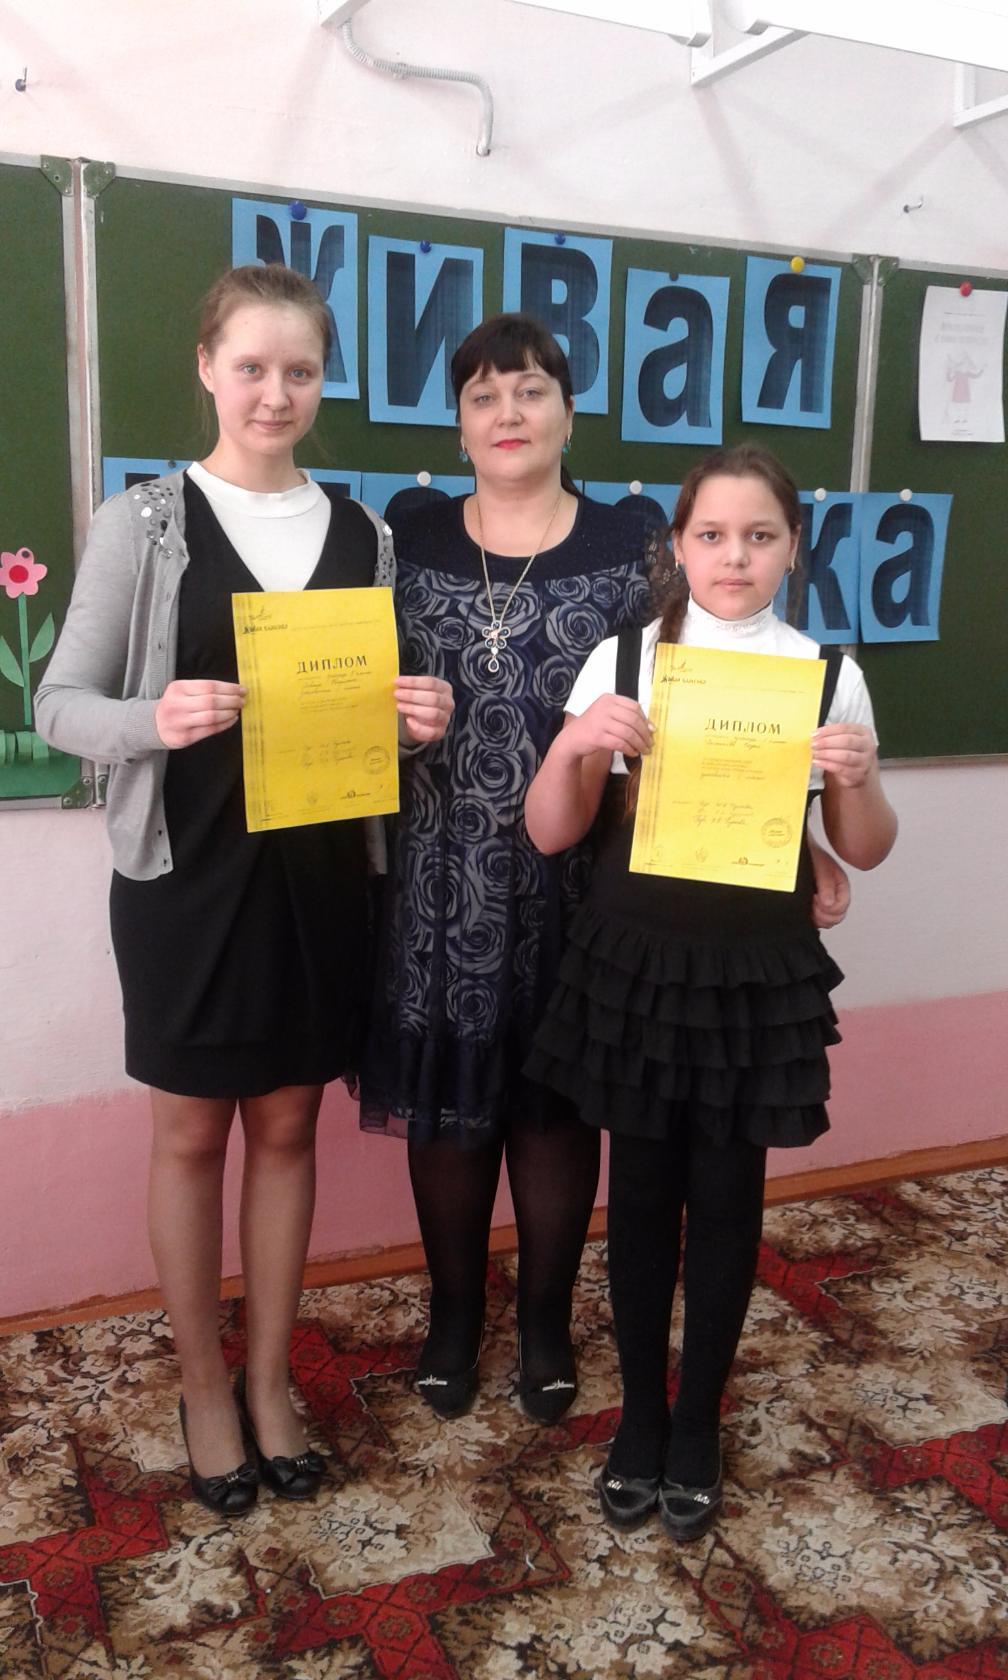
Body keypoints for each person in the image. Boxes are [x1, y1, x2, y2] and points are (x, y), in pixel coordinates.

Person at [358, 320, 850, 1426]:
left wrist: (801, 841)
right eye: (484, 396)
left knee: (556, 1109)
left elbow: (716, 706)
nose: (509, 414)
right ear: (458, 424)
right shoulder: (408, 535)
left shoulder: (635, 546)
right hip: (439, 875)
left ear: (569, 413)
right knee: (447, 1111)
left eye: (532, 390)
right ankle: (453, 1315)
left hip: (591, 878)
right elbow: (357, 693)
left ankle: (543, 1320)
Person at [34, 264, 453, 1516]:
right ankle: (203, 1388)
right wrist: (152, 718)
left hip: (320, 886)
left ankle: (269, 1381)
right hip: (188, 883)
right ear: (208, 368)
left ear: (323, 382)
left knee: (286, 1130)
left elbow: (360, 729)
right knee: (189, 1136)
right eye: (254, 367)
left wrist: (413, 724)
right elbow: (59, 706)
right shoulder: (146, 523)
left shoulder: (365, 536)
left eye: (301, 371)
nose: (277, 393)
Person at [523, 444, 896, 1536]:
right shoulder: (625, 658)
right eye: (713, 535)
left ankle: (698, 1423)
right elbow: (551, 830)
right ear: (678, 546)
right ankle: (641, 1417)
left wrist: (859, 778)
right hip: (638, 968)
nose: (736, 556)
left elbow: (864, 847)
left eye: (760, 536)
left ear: (792, 548)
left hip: (751, 977)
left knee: (729, 1202)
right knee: (640, 1197)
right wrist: (577, 746)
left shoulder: (824, 672)